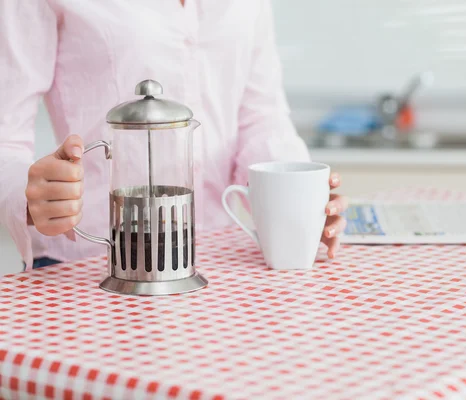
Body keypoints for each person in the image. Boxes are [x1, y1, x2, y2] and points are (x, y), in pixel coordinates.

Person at [0, 0, 347, 270]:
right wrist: (32, 197)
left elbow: (260, 116)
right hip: (88, 264)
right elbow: (6, 140)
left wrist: (294, 198)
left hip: (220, 262)